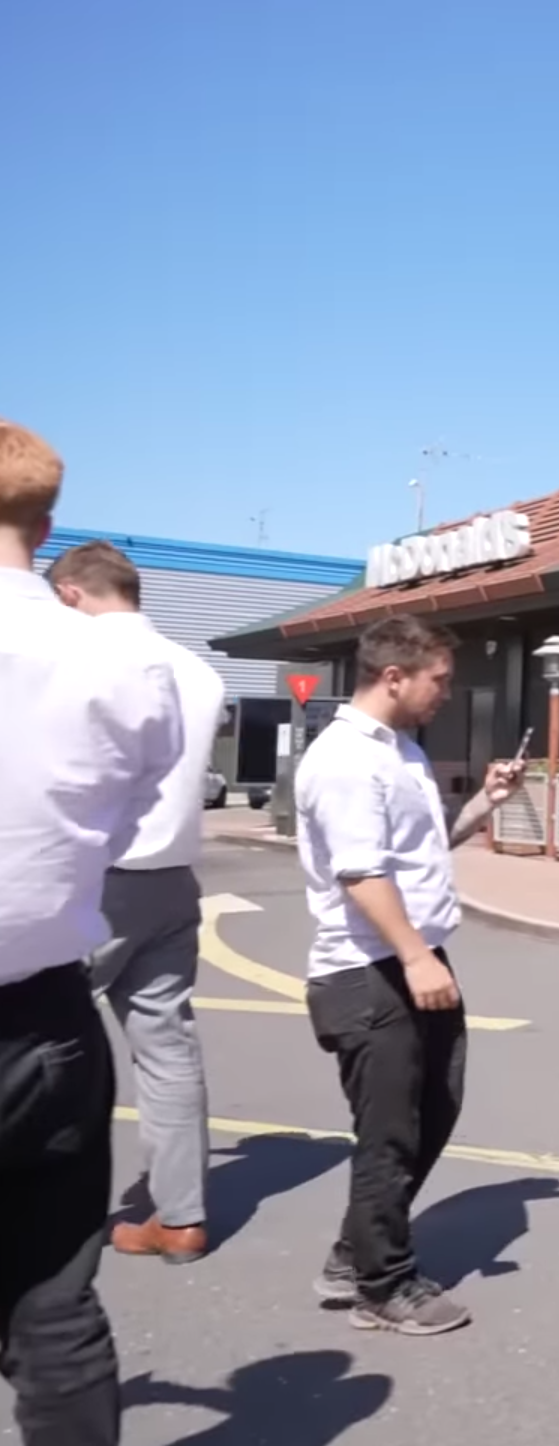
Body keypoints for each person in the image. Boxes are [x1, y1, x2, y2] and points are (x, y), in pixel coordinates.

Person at [1, 419, 185, 1446]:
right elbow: (125, 816)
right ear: (48, 522)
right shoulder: (126, 665)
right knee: (55, 1303)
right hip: (48, 1012)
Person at [293, 614, 525, 1336]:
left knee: (434, 1111)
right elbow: (361, 874)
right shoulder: (345, 760)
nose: (445, 694)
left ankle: (352, 1254)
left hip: (415, 958)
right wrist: (416, 956)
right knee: (389, 1134)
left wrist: (486, 802)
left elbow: (421, 851)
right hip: (371, 971)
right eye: (438, 680)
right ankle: (382, 1286)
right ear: (393, 676)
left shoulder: (402, 753)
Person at [48, 540, 228, 1267]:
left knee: (31, 1037)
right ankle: (180, 1217)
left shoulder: (80, 663)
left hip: (95, 878)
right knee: (166, 1045)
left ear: (69, 595)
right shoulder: (200, 672)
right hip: (172, 877)